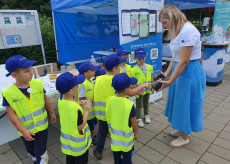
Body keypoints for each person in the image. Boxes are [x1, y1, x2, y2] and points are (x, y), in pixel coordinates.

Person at [158, 5, 206, 148]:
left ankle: (185, 136)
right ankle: (181, 129)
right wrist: (167, 73)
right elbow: (176, 56)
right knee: (180, 103)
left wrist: (170, 81)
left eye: (165, 23)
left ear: (172, 17)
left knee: (186, 103)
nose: (164, 27)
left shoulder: (188, 31)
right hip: (181, 71)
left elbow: (184, 60)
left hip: (188, 72)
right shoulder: (179, 31)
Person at [2, 55, 56, 163]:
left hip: (42, 127)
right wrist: (23, 130)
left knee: (40, 151)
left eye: (31, 69)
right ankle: (36, 158)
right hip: (25, 129)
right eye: (27, 71)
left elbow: (45, 99)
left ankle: (41, 160)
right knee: (30, 150)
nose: (32, 72)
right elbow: (11, 114)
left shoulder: (38, 84)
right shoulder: (8, 94)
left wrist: (52, 113)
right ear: (14, 75)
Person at [93, 54, 126, 160]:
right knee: (115, 132)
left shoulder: (98, 79)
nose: (121, 68)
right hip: (114, 113)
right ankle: (117, 150)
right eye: (119, 66)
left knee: (102, 132)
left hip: (101, 113)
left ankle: (98, 152)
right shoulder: (116, 80)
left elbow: (94, 95)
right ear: (114, 68)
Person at [56, 72, 92, 164]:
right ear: (71, 91)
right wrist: (86, 111)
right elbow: (80, 126)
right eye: (77, 85)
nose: (78, 86)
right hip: (78, 145)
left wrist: (76, 103)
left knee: (70, 159)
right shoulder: (75, 109)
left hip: (67, 143)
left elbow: (68, 108)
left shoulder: (60, 100)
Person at [106, 73, 139, 164]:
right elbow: (134, 123)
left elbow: (109, 115)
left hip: (115, 137)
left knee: (116, 158)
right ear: (126, 89)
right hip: (126, 139)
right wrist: (136, 133)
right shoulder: (129, 104)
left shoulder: (110, 100)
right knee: (127, 158)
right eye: (129, 87)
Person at [131, 48, 154, 128]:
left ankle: (147, 115)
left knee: (146, 103)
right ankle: (139, 118)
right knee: (139, 105)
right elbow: (133, 82)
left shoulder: (149, 67)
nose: (141, 60)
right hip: (139, 90)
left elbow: (151, 77)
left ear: (145, 57)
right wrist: (137, 90)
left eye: (143, 58)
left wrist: (152, 87)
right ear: (135, 58)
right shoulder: (133, 70)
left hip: (147, 89)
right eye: (139, 59)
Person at [78, 62, 97, 146]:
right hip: (87, 111)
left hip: (91, 110)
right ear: (85, 72)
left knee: (92, 125)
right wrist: (91, 100)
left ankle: (92, 136)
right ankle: (90, 140)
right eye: (92, 70)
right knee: (89, 126)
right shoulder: (83, 83)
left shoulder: (91, 81)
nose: (94, 71)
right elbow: (81, 97)